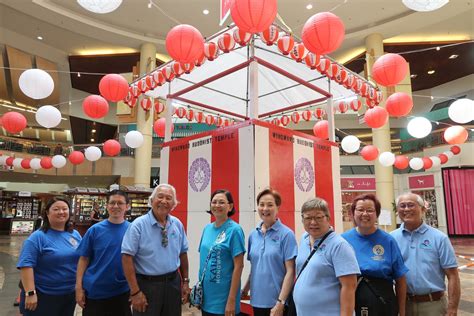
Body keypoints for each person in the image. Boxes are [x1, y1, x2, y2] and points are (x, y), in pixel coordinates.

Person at [121, 183, 190, 316]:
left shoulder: (177, 224)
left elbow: (183, 252)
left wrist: (185, 281)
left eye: (169, 198)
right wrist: (135, 292)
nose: (164, 201)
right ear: (152, 201)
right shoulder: (138, 225)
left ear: (174, 204)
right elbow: (126, 257)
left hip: (172, 284)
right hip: (146, 285)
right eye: (160, 197)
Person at [391, 192, 460, 316]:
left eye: (411, 205)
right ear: (397, 210)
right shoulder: (391, 238)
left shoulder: (439, 238)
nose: (406, 209)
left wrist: (452, 308)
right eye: (402, 206)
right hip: (403, 304)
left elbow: (453, 275)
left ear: (422, 209)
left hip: (434, 305)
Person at [341, 193, 408, 316]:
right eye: (360, 210)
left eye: (370, 210)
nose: (365, 214)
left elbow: (401, 279)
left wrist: (402, 312)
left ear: (377, 214)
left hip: (383, 306)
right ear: (353, 213)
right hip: (352, 304)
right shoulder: (342, 241)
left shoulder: (388, 240)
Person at [293, 198, 359, 316]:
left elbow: (349, 287)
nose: (313, 222)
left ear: (328, 218)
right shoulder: (304, 239)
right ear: (302, 219)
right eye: (308, 218)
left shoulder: (339, 246)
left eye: (318, 217)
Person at [17, 197, 82, 316]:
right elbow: (26, 265)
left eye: (64, 209)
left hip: (68, 294)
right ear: (47, 213)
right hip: (43, 295)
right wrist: (30, 293)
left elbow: (82, 259)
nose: (61, 212)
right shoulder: (37, 237)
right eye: (56, 209)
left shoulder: (75, 234)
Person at [75, 190, 132, 316]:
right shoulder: (94, 230)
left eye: (120, 203)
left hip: (122, 292)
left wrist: (136, 290)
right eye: (112, 203)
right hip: (95, 291)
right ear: (107, 206)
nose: (116, 206)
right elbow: (83, 259)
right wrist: (78, 287)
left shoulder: (133, 230)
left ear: (127, 206)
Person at [242, 188, 297, 316]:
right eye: (261, 205)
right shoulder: (253, 235)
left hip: (277, 303)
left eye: (270, 205)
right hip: (256, 301)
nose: (265, 208)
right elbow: (255, 268)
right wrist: (244, 290)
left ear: (277, 207)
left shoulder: (286, 234)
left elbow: (290, 271)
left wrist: (281, 302)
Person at [198, 189, 245, 316]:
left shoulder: (235, 230)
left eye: (221, 202)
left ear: (230, 206)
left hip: (224, 300)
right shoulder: (207, 229)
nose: (217, 205)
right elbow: (203, 261)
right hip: (206, 298)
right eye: (214, 202)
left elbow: (239, 266)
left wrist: (231, 300)